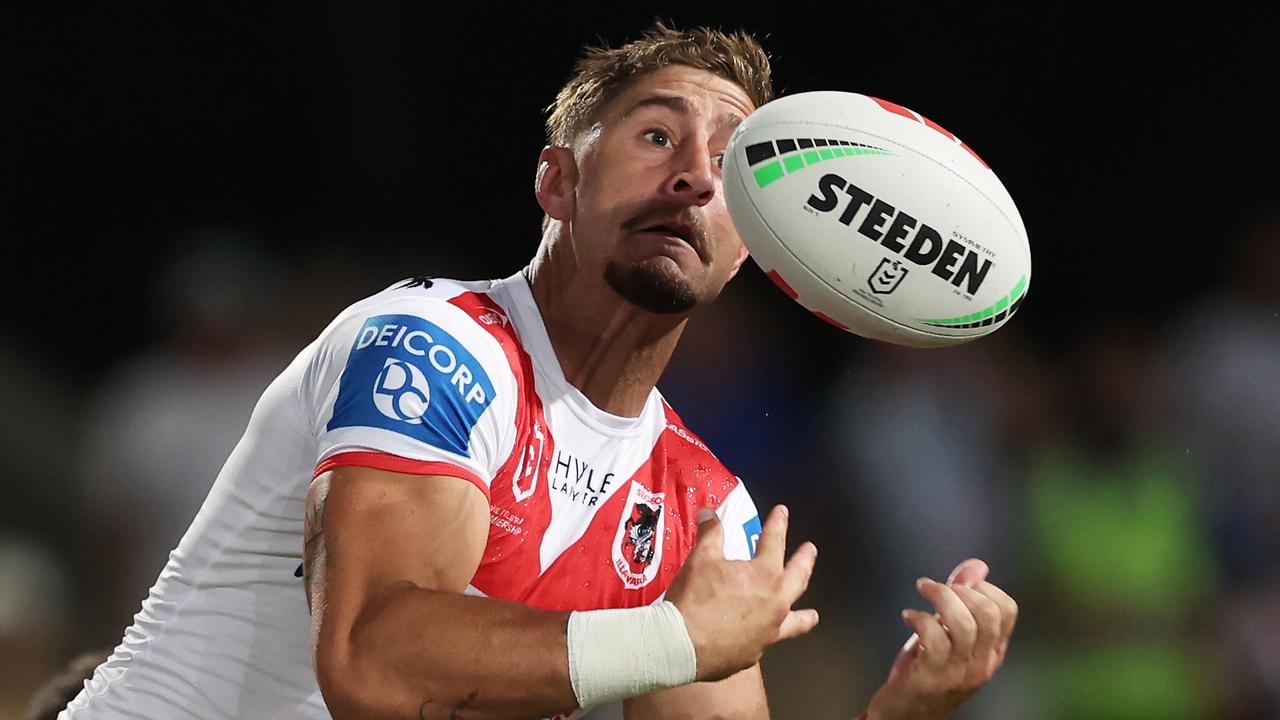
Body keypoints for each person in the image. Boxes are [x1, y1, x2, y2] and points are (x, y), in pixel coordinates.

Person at [61, 22, 1017, 720]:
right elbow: (372, 667)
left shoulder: (702, 507)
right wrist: (674, 642)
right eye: (656, 136)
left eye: (729, 168)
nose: (692, 174)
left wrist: (907, 713)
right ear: (557, 180)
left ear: (758, 244)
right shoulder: (432, 343)